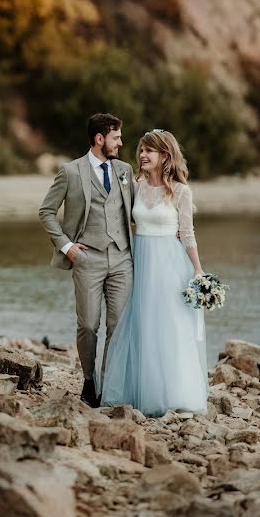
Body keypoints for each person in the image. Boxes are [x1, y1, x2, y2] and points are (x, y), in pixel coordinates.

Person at [100, 129, 209, 417]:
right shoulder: (135, 186)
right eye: (142, 150)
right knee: (142, 324)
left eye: (150, 151)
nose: (143, 155)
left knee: (170, 326)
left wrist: (198, 271)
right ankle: (140, 391)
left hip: (170, 265)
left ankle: (175, 392)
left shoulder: (181, 192)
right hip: (141, 263)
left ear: (165, 156)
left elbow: (187, 234)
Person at [38, 113, 135, 408]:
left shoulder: (125, 170)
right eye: (116, 137)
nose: (121, 142)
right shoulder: (70, 172)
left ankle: (109, 385)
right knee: (89, 325)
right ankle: (90, 379)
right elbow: (46, 212)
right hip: (87, 258)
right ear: (99, 138)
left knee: (118, 325)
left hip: (122, 259)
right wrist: (67, 247)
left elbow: (138, 210)